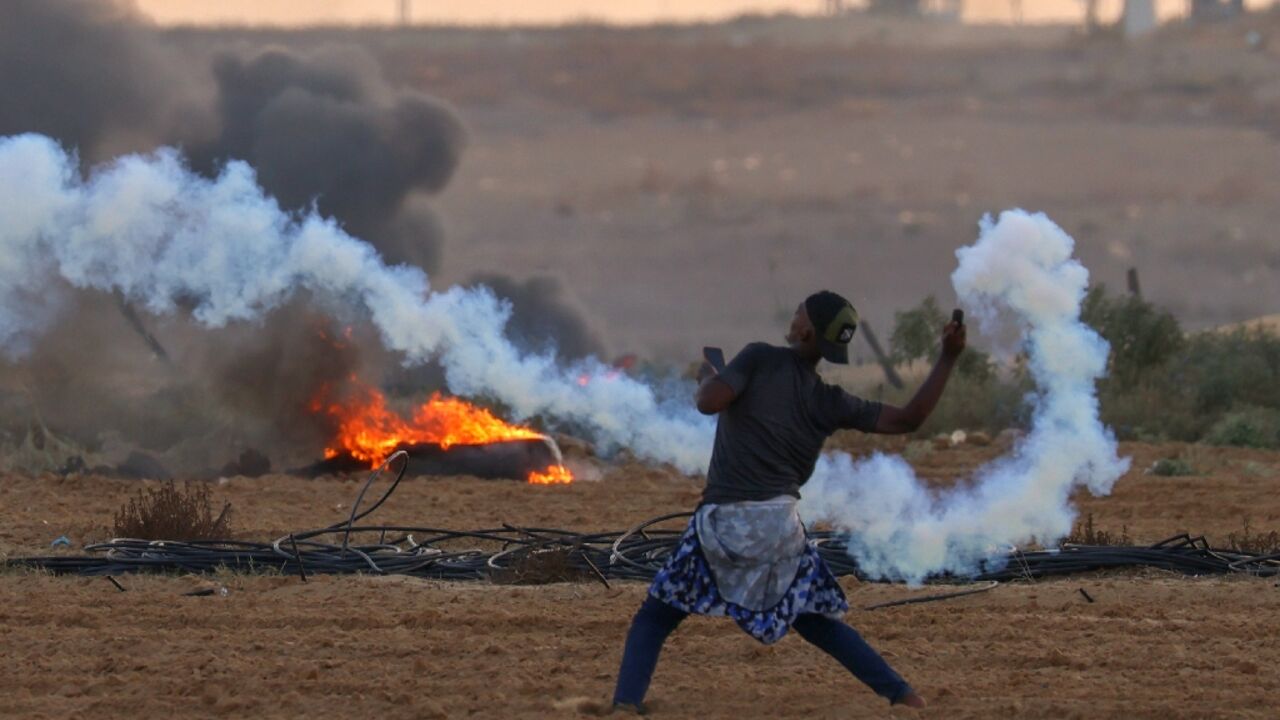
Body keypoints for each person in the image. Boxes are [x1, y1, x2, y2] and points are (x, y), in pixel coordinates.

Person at [612, 290, 966, 713]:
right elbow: (910, 418)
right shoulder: (829, 401)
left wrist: (709, 375)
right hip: (781, 528)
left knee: (656, 616)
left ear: (805, 329)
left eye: (799, 310)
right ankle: (904, 696)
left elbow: (709, 403)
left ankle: (625, 705)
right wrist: (948, 356)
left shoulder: (758, 358)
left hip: (723, 523)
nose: (794, 313)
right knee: (815, 619)